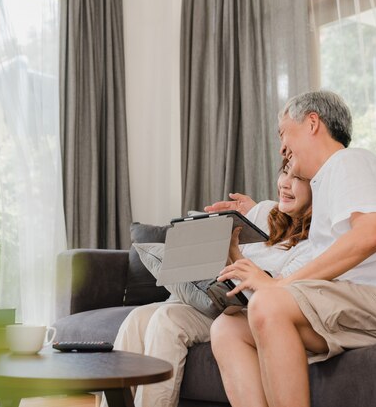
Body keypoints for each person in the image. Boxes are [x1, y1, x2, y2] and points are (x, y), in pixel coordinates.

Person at [209, 90, 376, 407]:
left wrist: (279, 286)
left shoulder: (349, 161)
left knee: (269, 303)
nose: (282, 148)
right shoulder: (323, 186)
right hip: (352, 307)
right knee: (229, 328)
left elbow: (371, 235)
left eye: (283, 133)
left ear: (313, 123)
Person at [110, 161, 313, 407]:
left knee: (167, 320)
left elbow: (278, 295)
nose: (285, 183)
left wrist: (234, 255)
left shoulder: (313, 245)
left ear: (316, 187)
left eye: (298, 178)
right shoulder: (266, 212)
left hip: (244, 312)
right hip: (214, 297)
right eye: (284, 172)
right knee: (137, 318)